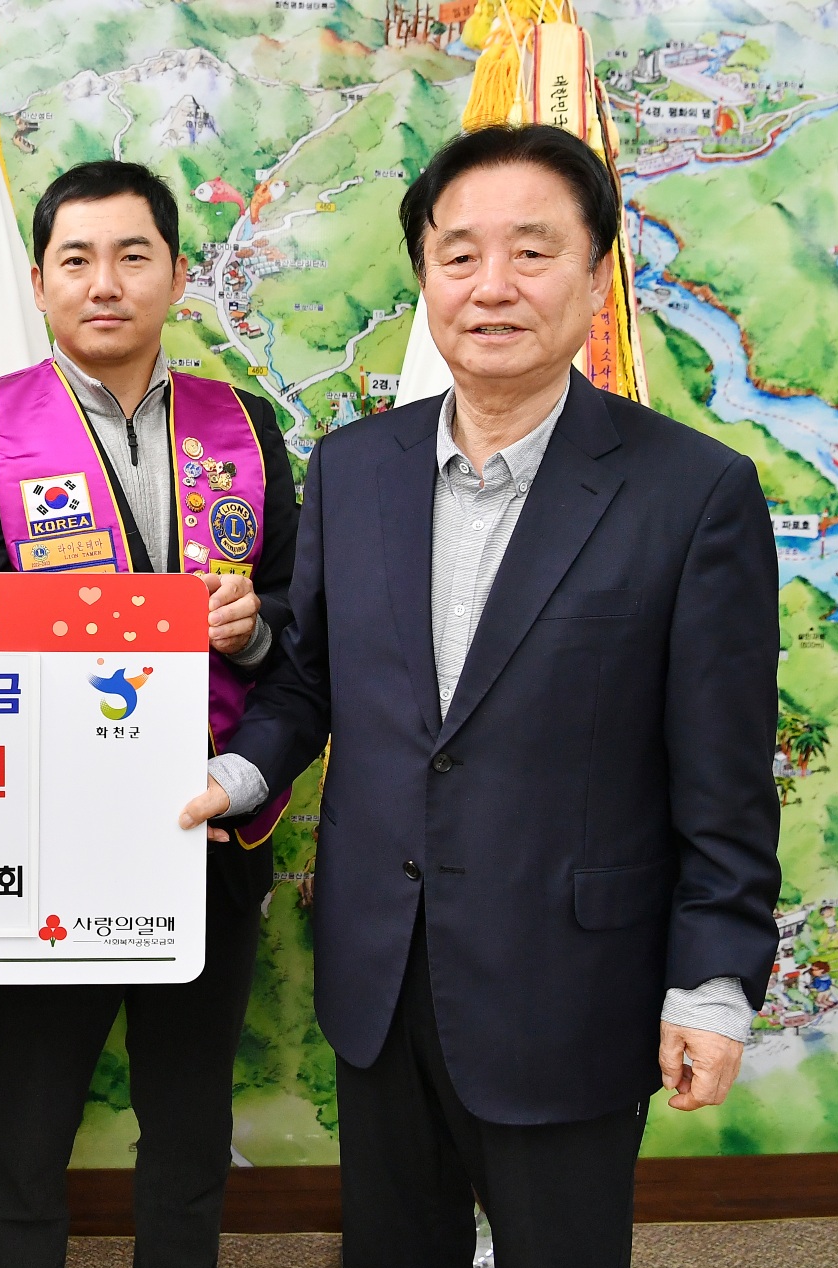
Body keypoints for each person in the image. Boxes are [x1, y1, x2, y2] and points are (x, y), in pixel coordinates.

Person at [180, 123, 781, 1267]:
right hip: (381, 969)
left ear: (595, 279)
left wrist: (710, 982)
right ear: (426, 277)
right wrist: (238, 773)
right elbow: (308, 677)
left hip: (570, 984)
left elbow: (725, 774)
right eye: (459, 255)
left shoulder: (694, 493)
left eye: (532, 252)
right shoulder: (354, 467)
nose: (491, 286)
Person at [0, 160, 300, 1268]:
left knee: (188, 1118)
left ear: (176, 277)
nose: (105, 283)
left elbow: (300, 626)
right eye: (76, 260)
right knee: (29, 1121)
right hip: (51, 841)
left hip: (209, 826)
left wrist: (253, 628)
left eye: (133, 256)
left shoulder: (247, 428)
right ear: (40, 283)